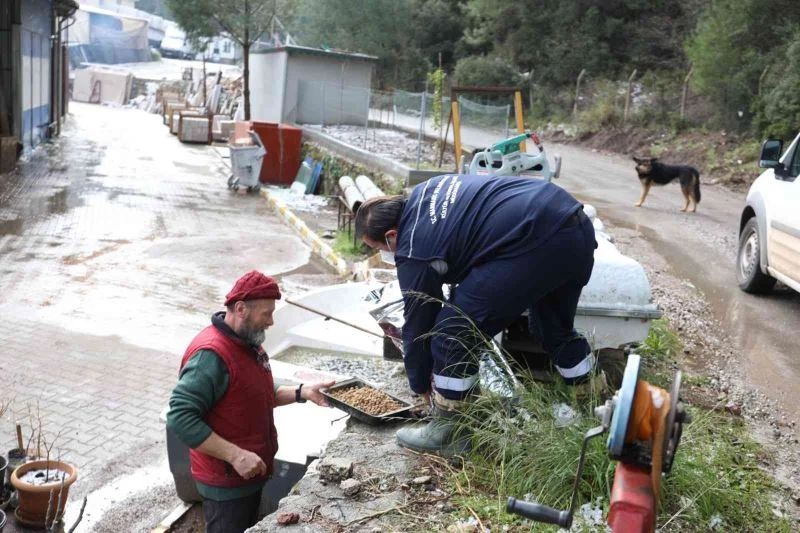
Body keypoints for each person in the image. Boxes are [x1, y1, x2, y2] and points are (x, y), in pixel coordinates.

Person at [354, 174, 601, 457]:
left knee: (452, 333)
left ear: (391, 236)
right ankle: (592, 404)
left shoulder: (411, 245)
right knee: (552, 328)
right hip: (573, 227)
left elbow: (420, 320)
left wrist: (419, 382)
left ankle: (449, 431)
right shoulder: (427, 189)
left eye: (381, 249)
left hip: (535, 239)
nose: (387, 255)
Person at [167, 270, 334, 533]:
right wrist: (236, 455)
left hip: (249, 475)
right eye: (266, 314)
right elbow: (180, 417)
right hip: (226, 484)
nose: (270, 322)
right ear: (241, 309)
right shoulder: (210, 356)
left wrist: (302, 392)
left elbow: (255, 391)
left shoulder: (247, 341)